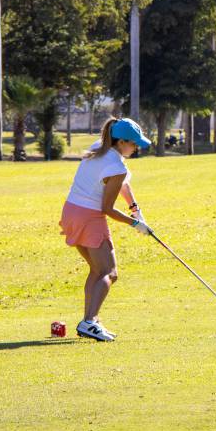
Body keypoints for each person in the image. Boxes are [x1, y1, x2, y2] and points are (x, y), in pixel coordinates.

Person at [59, 117, 152, 342]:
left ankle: (91, 320)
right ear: (121, 142)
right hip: (89, 217)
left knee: (96, 270)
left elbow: (123, 184)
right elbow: (107, 209)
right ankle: (89, 322)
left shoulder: (98, 148)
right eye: (133, 143)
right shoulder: (116, 166)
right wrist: (136, 224)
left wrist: (134, 208)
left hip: (71, 212)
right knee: (110, 272)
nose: (136, 147)